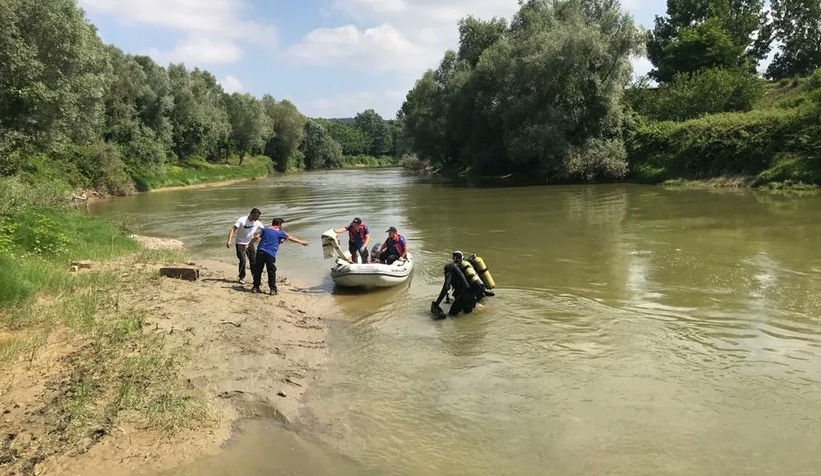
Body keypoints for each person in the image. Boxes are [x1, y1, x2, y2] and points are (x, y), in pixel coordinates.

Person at [245, 217, 308, 295]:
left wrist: (249, 244)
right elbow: (291, 238)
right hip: (270, 253)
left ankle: (255, 287)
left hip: (260, 251)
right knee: (271, 271)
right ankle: (273, 289)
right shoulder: (280, 232)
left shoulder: (265, 229)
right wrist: (302, 242)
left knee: (258, 270)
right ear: (279, 224)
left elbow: (257, 237)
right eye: (281, 225)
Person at [431, 251, 477, 318]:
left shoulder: (449, 269)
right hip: (473, 297)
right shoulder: (463, 267)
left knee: (451, 317)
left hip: (463, 297)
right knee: (467, 317)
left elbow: (446, 288)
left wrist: (437, 303)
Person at [226, 208, 263, 284]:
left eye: (258, 217)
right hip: (240, 243)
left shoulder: (257, 222)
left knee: (253, 261)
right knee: (242, 260)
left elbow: (265, 230)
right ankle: (241, 277)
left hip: (249, 243)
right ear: (252, 214)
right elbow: (233, 229)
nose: (258, 218)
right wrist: (229, 240)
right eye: (257, 216)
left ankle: (255, 278)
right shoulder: (242, 220)